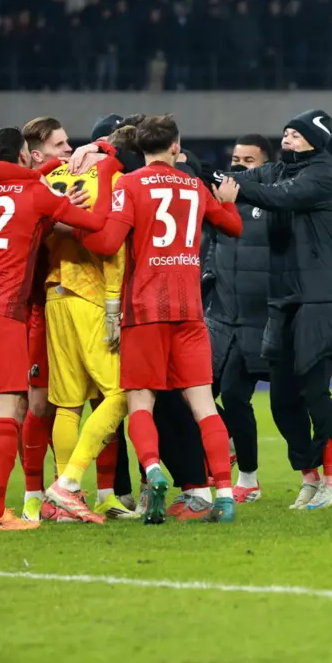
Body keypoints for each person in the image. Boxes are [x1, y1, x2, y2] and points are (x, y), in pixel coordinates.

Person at [77, 114, 245, 524]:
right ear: (176, 146)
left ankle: (152, 470)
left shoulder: (129, 185)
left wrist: (76, 219)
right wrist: (226, 202)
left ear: (139, 148)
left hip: (145, 310)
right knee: (204, 405)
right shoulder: (193, 184)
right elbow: (234, 227)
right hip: (188, 311)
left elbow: (107, 242)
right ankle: (223, 493)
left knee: (141, 402)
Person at [0, 127, 105, 531]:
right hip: (0, 312)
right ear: (21, 156)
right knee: (5, 414)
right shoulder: (36, 193)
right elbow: (95, 223)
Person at [231, 109, 332, 510]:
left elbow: (278, 197)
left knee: (314, 391)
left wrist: (237, 189)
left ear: (314, 142)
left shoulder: (321, 174)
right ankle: (311, 478)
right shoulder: (276, 172)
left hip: (321, 295)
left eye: (296, 135)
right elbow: (240, 180)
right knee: (281, 399)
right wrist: (185, 168)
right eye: (285, 132)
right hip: (284, 297)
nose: (288, 138)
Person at [37, 118, 140, 523]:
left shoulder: (54, 175)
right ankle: (69, 485)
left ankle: (63, 503)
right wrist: (114, 303)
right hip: (90, 293)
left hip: (53, 292)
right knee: (121, 393)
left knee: (67, 404)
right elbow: (112, 248)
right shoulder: (112, 177)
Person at [203, 134, 276, 505]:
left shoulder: (276, 203)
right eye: (235, 159)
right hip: (218, 317)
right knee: (194, 397)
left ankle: (248, 478)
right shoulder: (217, 203)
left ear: (265, 166)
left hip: (256, 320)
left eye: (248, 161)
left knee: (234, 396)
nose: (238, 167)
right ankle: (226, 446)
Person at [15, 117, 72, 519]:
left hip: (67, 306)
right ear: (37, 155)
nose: (69, 150)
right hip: (34, 311)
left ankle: (63, 489)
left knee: (69, 404)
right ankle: (33, 496)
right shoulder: (28, 190)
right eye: (61, 145)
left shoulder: (62, 181)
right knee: (35, 406)